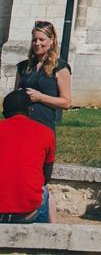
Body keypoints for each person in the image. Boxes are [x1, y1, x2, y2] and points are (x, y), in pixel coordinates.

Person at [0, 89, 55, 224]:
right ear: (29, 111)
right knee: (45, 192)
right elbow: (45, 177)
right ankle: (47, 232)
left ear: (4, 114)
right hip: (27, 213)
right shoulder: (46, 132)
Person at [15, 22, 71, 129]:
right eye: (34, 40)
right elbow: (15, 98)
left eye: (41, 40)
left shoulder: (59, 67)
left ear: (51, 40)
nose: (37, 43)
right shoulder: (23, 67)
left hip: (43, 125)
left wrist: (40, 97)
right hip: (22, 125)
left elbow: (66, 103)